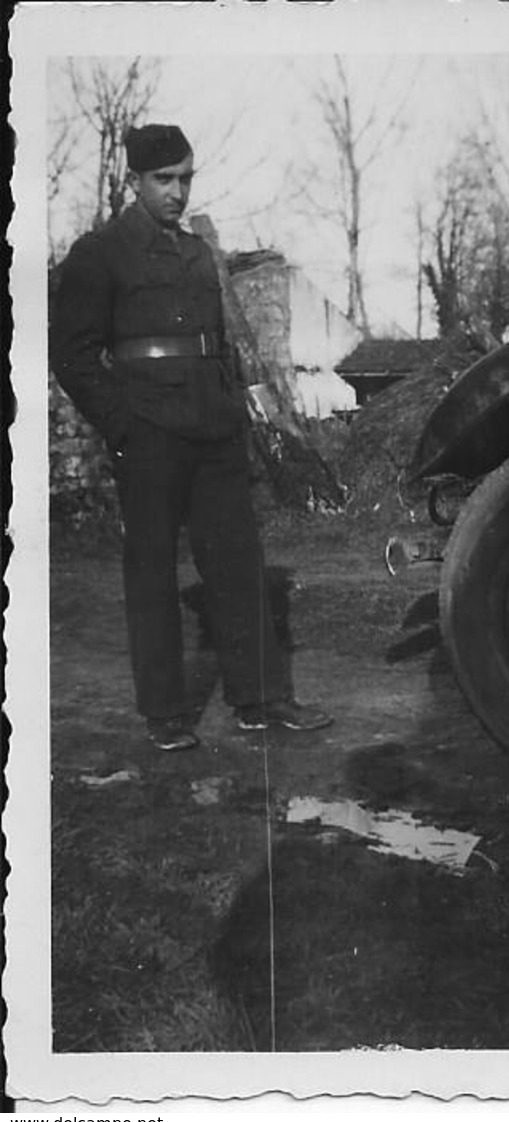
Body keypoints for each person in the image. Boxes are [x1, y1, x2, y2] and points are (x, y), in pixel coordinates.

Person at [50, 123, 333, 751]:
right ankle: (166, 713)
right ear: (134, 180)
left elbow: (221, 346)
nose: (177, 192)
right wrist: (122, 423)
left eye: (184, 179)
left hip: (213, 429)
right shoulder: (100, 253)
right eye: (163, 180)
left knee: (238, 563)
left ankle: (260, 698)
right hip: (147, 431)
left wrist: (234, 408)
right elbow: (71, 355)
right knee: (151, 570)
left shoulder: (199, 252)